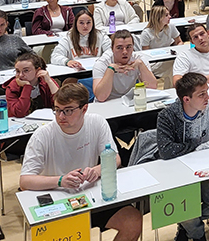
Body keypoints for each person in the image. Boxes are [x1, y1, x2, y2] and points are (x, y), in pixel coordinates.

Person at [19, 81, 143, 241]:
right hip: (57, 200)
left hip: (89, 195)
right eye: (57, 110)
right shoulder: (42, 135)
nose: (61, 116)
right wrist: (60, 180)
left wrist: (96, 171)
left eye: (68, 110)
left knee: (133, 222)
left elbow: (115, 159)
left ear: (84, 109)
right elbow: (25, 181)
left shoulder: (97, 123)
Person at [156, 72, 209, 241]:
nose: (208, 97)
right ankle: (198, 235)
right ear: (186, 99)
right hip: (176, 171)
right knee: (183, 208)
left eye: (206, 92)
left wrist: (201, 147)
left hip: (203, 166)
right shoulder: (167, 116)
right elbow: (166, 150)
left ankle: (187, 226)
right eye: (201, 94)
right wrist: (195, 146)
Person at [92, 29, 158, 102]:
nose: (125, 52)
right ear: (112, 49)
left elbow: (153, 87)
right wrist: (110, 70)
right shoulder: (102, 63)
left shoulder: (139, 59)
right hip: (108, 101)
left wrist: (141, 65)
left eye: (128, 47)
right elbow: (101, 97)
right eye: (119, 48)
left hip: (130, 100)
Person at [3, 52, 59, 118]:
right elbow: (19, 113)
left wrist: (49, 81)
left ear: (38, 70)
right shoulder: (12, 87)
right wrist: (27, 87)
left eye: (26, 70)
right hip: (20, 121)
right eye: (18, 71)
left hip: (45, 120)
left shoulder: (46, 82)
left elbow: (61, 103)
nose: (20, 75)